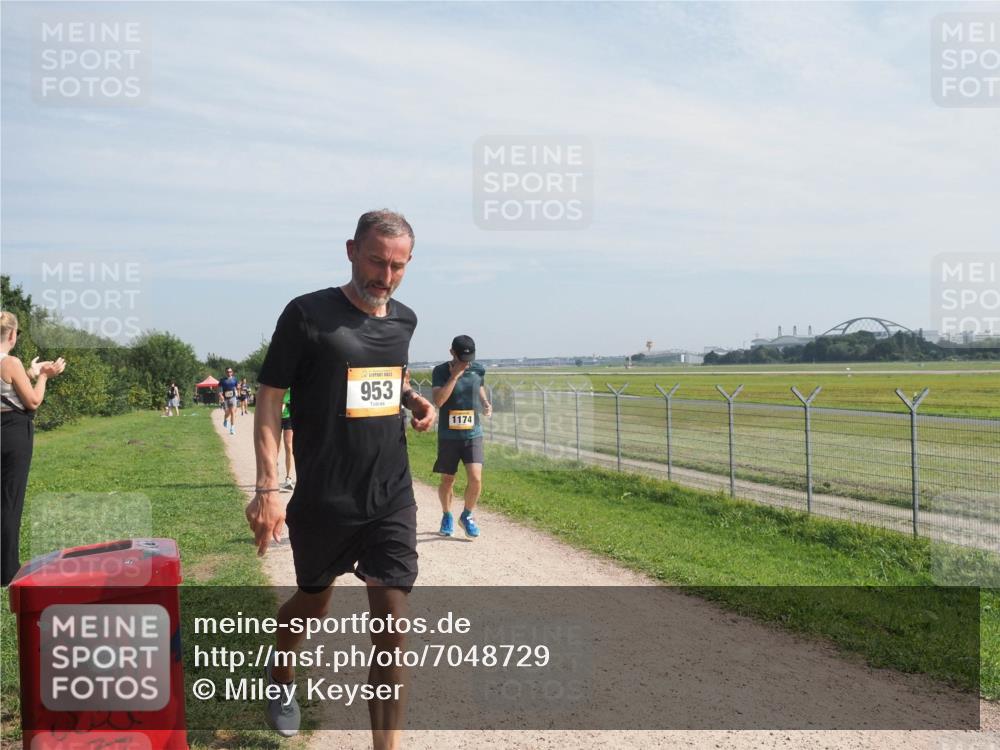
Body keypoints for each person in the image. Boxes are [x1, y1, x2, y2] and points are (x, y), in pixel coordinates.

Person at [245, 209, 435, 746]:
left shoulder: (404, 320)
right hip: (326, 497)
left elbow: (390, 376)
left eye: (398, 265)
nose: (386, 275)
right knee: (314, 603)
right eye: (377, 260)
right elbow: (269, 399)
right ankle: (281, 676)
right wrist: (267, 489)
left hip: (389, 494)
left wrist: (415, 399)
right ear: (351, 250)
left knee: (392, 632)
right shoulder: (307, 315)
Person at [1, 312, 66, 586]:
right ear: (13, 335)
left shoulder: (13, 366)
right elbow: (33, 401)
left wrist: (32, 371)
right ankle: (6, 571)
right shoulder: (11, 361)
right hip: (13, 435)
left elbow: (7, 387)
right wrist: (46, 376)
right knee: (9, 501)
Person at [431, 335, 491, 538]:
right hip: (449, 435)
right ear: (452, 353)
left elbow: (479, 386)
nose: (467, 362)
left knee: (475, 478)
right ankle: (447, 515)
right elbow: (438, 401)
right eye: (462, 358)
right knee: (448, 479)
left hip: (473, 433)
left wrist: (484, 403)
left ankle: (467, 515)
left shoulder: (478, 369)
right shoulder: (440, 371)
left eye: (470, 358)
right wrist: (454, 376)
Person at [279, 388, 294, 491]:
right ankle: (272, 478)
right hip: (276, 416)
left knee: (288, 446)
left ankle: (288, 479)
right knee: (275, 447)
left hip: (289, 417)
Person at [218, 367, 239, 435]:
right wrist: (220, 395)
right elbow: (220, 389)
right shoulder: (222, 380)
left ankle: (232, 428)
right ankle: (225, 419)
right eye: (227, 372)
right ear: (225, 372)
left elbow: (237, 387)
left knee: (232, 412)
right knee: (228, 412)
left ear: (232, 372)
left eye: (230, 371)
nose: (229, 373)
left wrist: (238, 391)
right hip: (225, 398)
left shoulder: (235, 379)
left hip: (232, 397)